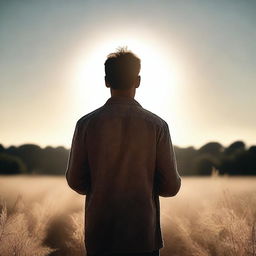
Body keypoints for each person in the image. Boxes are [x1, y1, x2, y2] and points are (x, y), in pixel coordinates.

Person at [65, 47, 181, 256]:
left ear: (106, 81)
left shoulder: (86, 124)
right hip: (143, 238)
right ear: (137, 81)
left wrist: (99, 187)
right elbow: (171, 187)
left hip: (101, 237)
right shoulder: (157, 125)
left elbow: (75, 181)